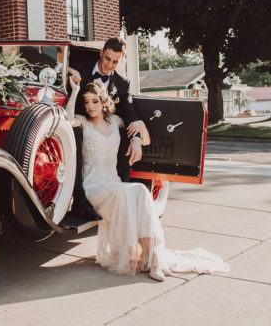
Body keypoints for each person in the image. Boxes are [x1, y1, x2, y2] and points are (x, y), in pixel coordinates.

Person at [70, 82, 230, 281]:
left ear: (104, 102)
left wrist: (140, 128)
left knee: (141, 192)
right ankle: (152, 259)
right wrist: (75, 91)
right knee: (130, 192)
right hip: (93, 186)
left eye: (94, 101)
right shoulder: (83, 122)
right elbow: (66, 120)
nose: (90, 106)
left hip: (114, 182)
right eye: (86, 102)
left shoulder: (117, 122)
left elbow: (145, 140)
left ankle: (153, 258)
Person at [68, 37, 145, 170]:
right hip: (80, 125)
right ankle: (78, 188)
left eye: (115, 62)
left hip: (104, 129)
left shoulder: (122, 83)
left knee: (125, 137)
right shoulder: (79, 65)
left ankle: (120, 183)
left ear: (121, 61)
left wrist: (136, 140)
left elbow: (129, 113)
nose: (109, 65)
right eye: (107, 58)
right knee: (76, 134)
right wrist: (67, 69)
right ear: (101, 52)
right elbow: (52, 65)